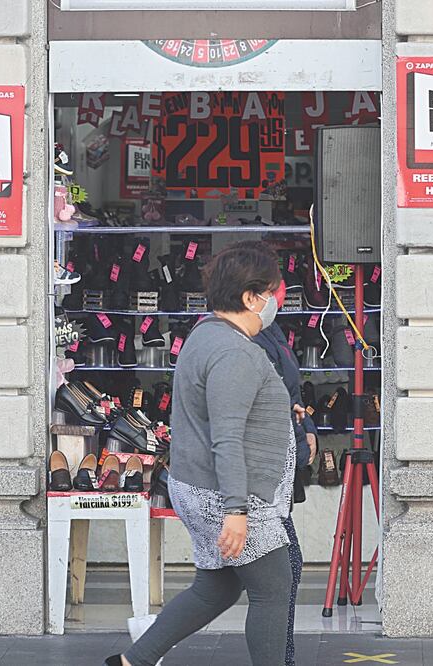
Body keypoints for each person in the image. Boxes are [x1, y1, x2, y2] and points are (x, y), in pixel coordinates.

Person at [105, 242, 296, 666]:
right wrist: (236, 511)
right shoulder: (234, 352)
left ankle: (132, 661)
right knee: (273, 589)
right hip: (227, 493)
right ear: (251, 297)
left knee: (216, 589)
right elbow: (226, 436)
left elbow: (221, 410)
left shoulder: (207, 333)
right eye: (272, 289)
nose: (276, 298)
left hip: (200, 485)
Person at [254, 315, 318, 666]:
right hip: (252, 482)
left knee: (214, 591)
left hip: (275, 475)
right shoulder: (233, 340)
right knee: (284, 570)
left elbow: (289, 394)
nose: (275, 297)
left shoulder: (272, 331)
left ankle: (139, 655)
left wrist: (305, 427)